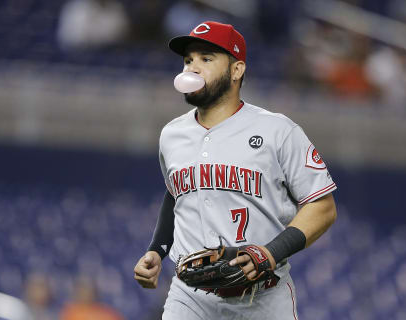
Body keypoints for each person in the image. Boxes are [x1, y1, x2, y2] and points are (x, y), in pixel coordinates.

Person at [134, 21, 338, 319]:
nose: (192, 68)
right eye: (188, 60)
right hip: (190, 298)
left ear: (236, 70)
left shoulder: (277, 130)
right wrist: (157, 250)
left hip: (264, 297)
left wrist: (270, 252)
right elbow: (175, 196)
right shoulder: (171, 135)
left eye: (206, 58)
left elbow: (322, 207)